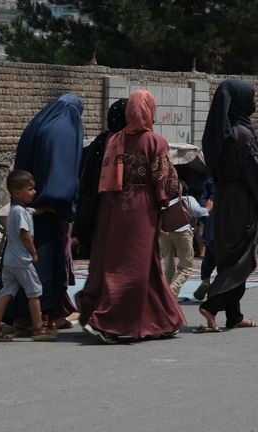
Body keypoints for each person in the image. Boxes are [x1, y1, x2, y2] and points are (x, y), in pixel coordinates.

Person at [75, 89, 187, 344]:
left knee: (142, 264)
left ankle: (162, 320)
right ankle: (108, 321)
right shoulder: (154, 142)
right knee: (133, 266)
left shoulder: (114, 140)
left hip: (111, 206)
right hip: (140, 208)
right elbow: (166, 182)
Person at [0, 94, 84, 333]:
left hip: (28, 209)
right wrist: (63, 203)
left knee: (16, 278)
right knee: (42, 269)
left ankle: (17, 316)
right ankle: (41, 317)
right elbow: (62, 173)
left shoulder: (39, 125)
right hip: (49, 211)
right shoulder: (65, 129)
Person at [197, 79, 258, 332]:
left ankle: (234, 315)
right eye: (251, 97)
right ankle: (213, 304)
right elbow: (257, 175)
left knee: (230, 257)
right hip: (242, 201)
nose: (254, 103)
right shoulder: (242, 133)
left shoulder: (221, 133)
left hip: (225, 198)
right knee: (244, 259)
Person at [0, 170, 59, 341]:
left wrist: (47, 208)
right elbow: (25, 234)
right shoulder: (19, 212)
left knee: (6, 292)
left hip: (9, 261)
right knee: (34, 292)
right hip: (22, 261)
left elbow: (35, 212)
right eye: (30, 189)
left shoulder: (17, 210)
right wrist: (34, 252)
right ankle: (38, 328)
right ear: (17, 193)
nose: (34, 192)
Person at [73, 98, 128, 259]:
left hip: (99, 210)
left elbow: (87, 182)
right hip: (115, 210)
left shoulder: (101, 140)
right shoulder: (132, 142)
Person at [159, 181, 209, 297]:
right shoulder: (187, 199)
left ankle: (169, 295)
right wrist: (208, 209)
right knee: (185, 267)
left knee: (168, 264)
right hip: (183, 233)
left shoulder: (161, 201)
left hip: (164, 234)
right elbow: (198, 212)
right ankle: (171, 291)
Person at [193, 177, 216, 301]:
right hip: (228, 227)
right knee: (227, 263)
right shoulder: (235, 180)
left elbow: (204, 203)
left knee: (209, 257)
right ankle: (218, 290)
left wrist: (204, 219)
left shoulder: (210, 179)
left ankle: (206, 280)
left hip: (211, 225)